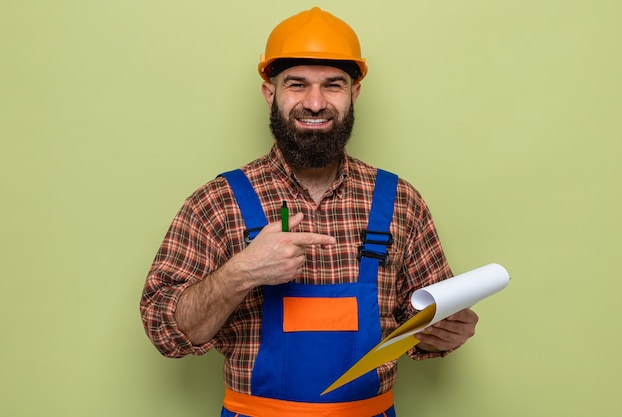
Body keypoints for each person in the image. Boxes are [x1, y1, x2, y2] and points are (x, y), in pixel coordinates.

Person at [140, 7, 478, 417]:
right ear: (270, 94)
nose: (315, 103)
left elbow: (422, 322)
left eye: (332, 85)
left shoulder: (400, 201)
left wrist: (444, 332)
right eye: (296, 84)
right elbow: (165, 330)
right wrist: (242, 271)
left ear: (353, 94)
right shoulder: (218, 202)